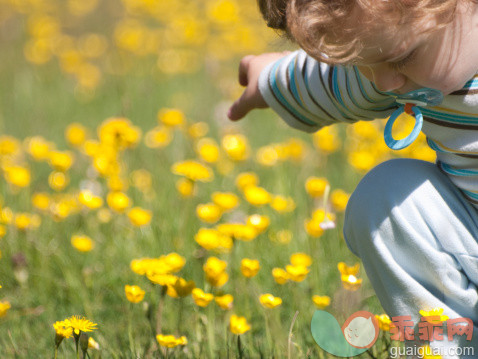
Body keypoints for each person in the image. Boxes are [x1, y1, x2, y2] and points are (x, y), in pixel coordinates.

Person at [227, 0, 478, 357]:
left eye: (402, 57)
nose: (385, 83)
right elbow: (327, 83)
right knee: (385, 200)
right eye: (361, 64)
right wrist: (269, 79)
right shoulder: (404, 72)